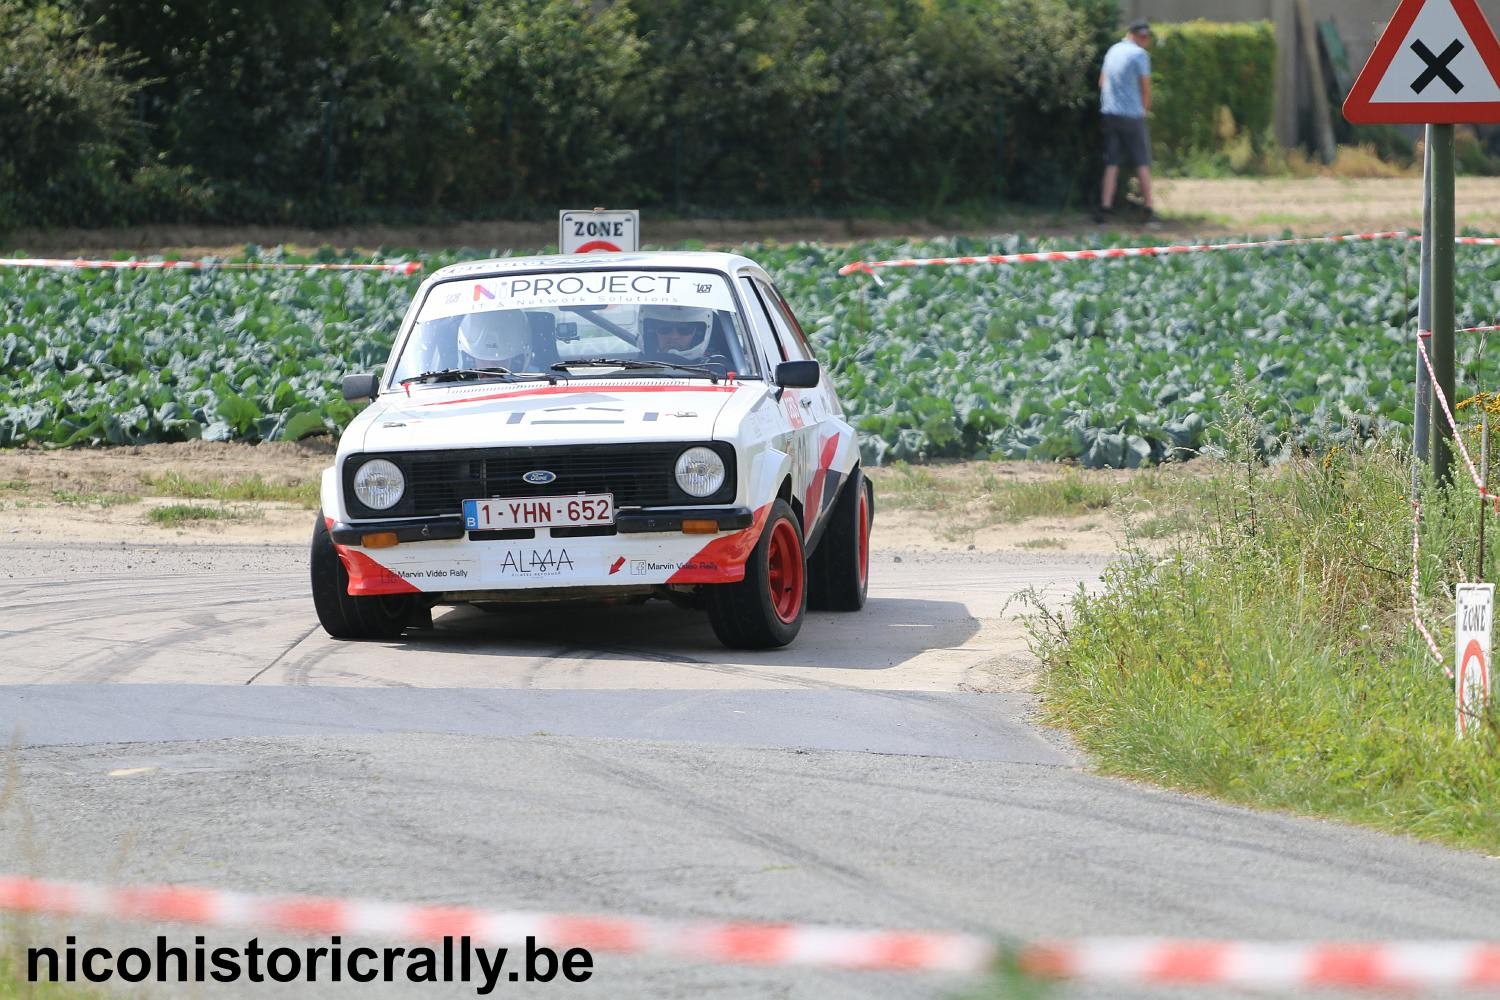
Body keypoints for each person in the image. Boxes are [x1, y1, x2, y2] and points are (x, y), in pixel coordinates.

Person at [1095, 20, 1156, 225]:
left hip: (1109, 113)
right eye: (1144, 36)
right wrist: (1144, 111)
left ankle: (1105, 209)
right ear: (1136, 36)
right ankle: (1148, 209)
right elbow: (1145, 88)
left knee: (1111, 163)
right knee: (1142, 162)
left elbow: (1102, 82)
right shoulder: (1140, 55)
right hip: (1131, 116)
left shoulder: (1113, 50)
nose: (1145, 40)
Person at [456, 309, 532, 371]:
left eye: (500, 360)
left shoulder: (539, 383)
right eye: (483, 359)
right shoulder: (453, 387)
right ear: (472, 359)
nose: (491, 365)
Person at [640, 304, 715, 364]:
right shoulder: (633, 364)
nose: (674, 336)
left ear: (696, 334)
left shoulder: (715, 369)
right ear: (653, 332)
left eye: (684, 329)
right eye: (664, 328)